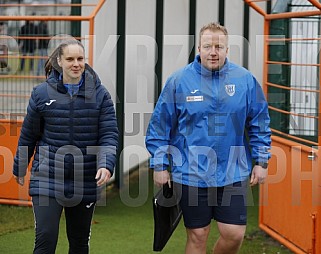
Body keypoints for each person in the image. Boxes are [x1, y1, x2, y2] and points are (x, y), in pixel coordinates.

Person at [145, 22, 271, 254]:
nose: (213, 52)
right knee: (198, 235)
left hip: (233, 170)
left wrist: (262, 161)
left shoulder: (245, 80)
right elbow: (160, 127)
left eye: (219, 46)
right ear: (198, 49)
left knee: (233, 234)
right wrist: (160, 164)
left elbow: (259, 122)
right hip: (191, 172)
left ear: (227, 49)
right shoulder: (179, 81)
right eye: (207, 46)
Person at [13, 39, 119, 253]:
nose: (76, 64)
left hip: (85, 178)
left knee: (79, 243)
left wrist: (106, 164)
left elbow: (109, 134)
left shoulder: (100, 95)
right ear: (59, 61)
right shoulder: (41, 94)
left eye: (80, 59)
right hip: (47, 177)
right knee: (45, 238)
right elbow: (29, 134)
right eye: (70, 59)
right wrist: (20, 165)